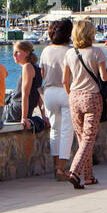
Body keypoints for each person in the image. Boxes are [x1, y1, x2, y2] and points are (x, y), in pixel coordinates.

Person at [63, 20, 107, 189]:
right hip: (92, 97)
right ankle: (75, 172)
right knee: (88, 138)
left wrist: (71, 94)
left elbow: (65, 80)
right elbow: (103, 78)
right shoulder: (97, 52)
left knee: (82, 138)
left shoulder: (69, 54)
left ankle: (88, 176)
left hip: (74, 97)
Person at [40, 19, 75, 180]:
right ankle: (62, 168)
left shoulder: (46, 51)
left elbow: (42, 73)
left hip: (49, 92)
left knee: (55, 129)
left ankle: (56, 166)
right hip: (66, 91)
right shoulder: (71, 51)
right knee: (67, 131)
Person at [7, 40, 47, 130]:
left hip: (17, 109)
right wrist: (43, 116)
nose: (14, 55)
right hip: (25, 109)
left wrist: (24, 118)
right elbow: (39, 94)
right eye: (13, 52)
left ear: (27, 53)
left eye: (17, 52)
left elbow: (25, 94)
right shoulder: (37, 67)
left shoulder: (27, 67)